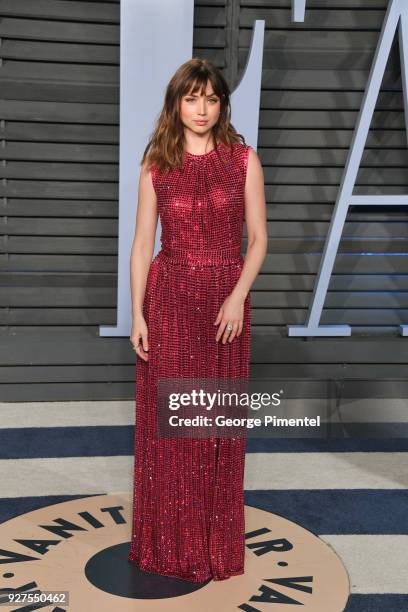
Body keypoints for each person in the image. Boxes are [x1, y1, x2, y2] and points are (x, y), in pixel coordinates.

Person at [128, 58, 267, 582]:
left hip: (224, 303)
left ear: (222, 103)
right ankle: (166, 543)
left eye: (210, 99)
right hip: (169, 300)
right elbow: (143, 244)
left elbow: (259, 241)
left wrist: (236, 297)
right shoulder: (156, 163)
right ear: (176, 104)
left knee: (214, 424)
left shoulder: (244, 160)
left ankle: (211, 543)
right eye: (192, 99)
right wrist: (138, 312)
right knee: (170, 425)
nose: (201, 109)